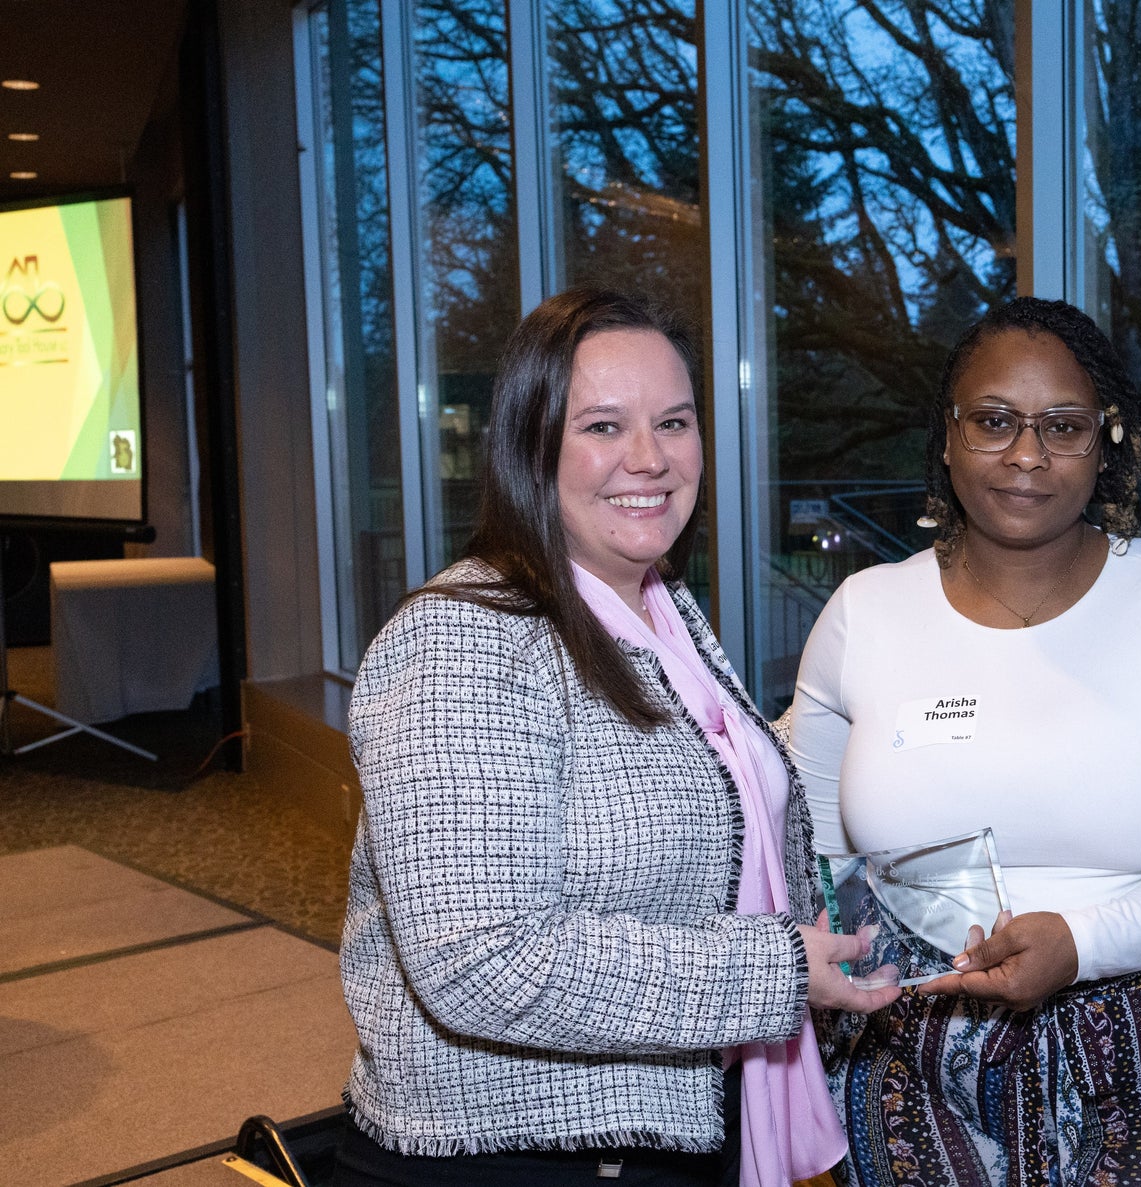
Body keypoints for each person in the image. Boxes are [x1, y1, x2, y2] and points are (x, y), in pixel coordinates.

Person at [335, 287, 899, 1187]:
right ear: (533, 445)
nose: (649, 458)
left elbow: (713, 786)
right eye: (603, 426)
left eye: (673, 422)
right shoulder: (465, 640)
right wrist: (778, 966)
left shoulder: (657, 609)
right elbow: (480, 957)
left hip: (668, 1125)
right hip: (516, 1155)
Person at [787, 297, 1141, 1186]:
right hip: (914, 1059)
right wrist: (872, 993)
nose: (1026, 454)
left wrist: (1085, 941)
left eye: (1063, 426)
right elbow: (820, 850)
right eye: (994, 421)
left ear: (1106, 441)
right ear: (947, 435)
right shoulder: (865, 614)